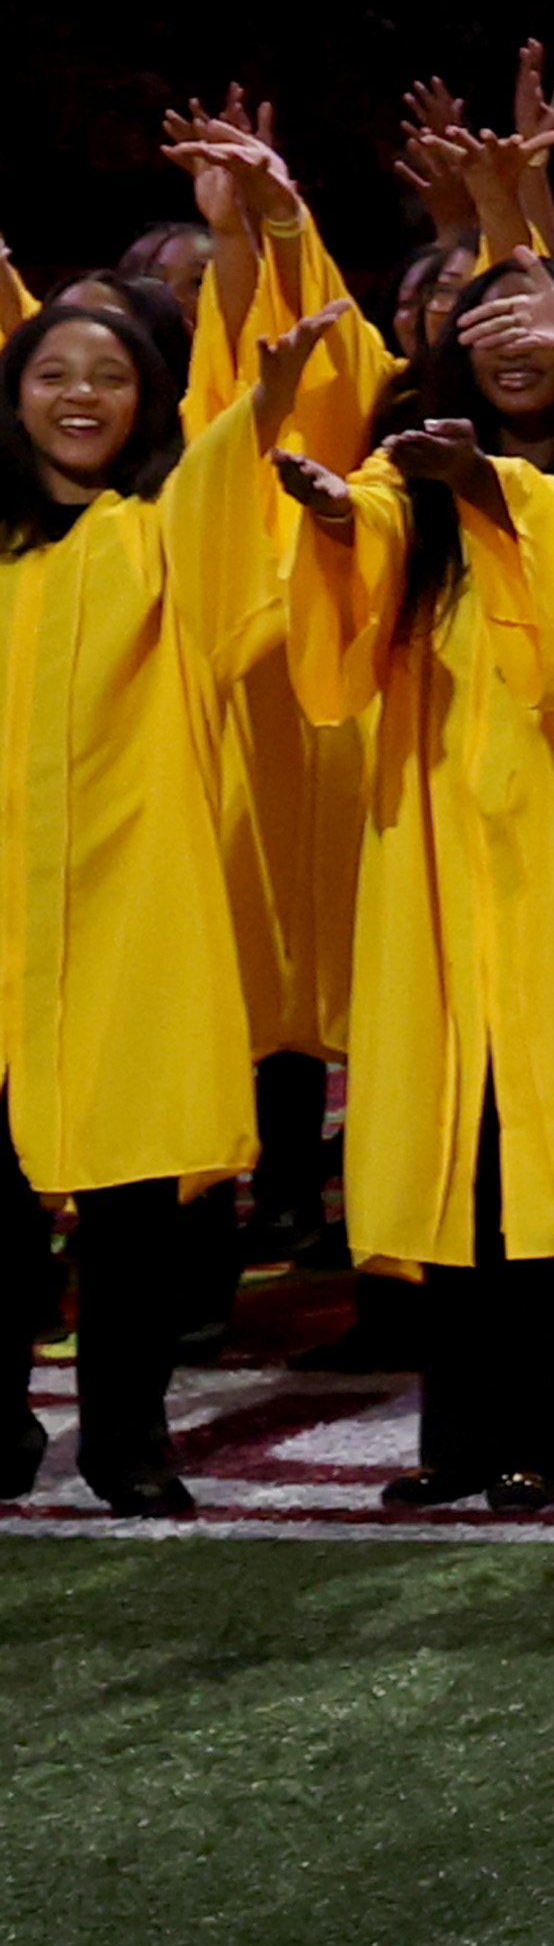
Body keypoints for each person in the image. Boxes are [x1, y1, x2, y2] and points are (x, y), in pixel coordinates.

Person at [268, 256, 554, 1511]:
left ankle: (553, 1425)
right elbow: (366, 566)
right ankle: (457, 1435)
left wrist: (490, 493)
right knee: (453, 1141)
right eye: (479, 319)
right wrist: (341, 517)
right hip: (428, 837)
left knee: (535, 1137)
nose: (505, 341)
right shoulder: (412, 469)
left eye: (532, 317)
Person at [0, 281, 284, 1516]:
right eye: (54, 371)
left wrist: (269, 374)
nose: (80, 396)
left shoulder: (166, 532)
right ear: (13, 394)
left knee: (130, 1208)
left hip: (131, 905)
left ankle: (127, 1436)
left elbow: (236, 486)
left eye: (109, 376)